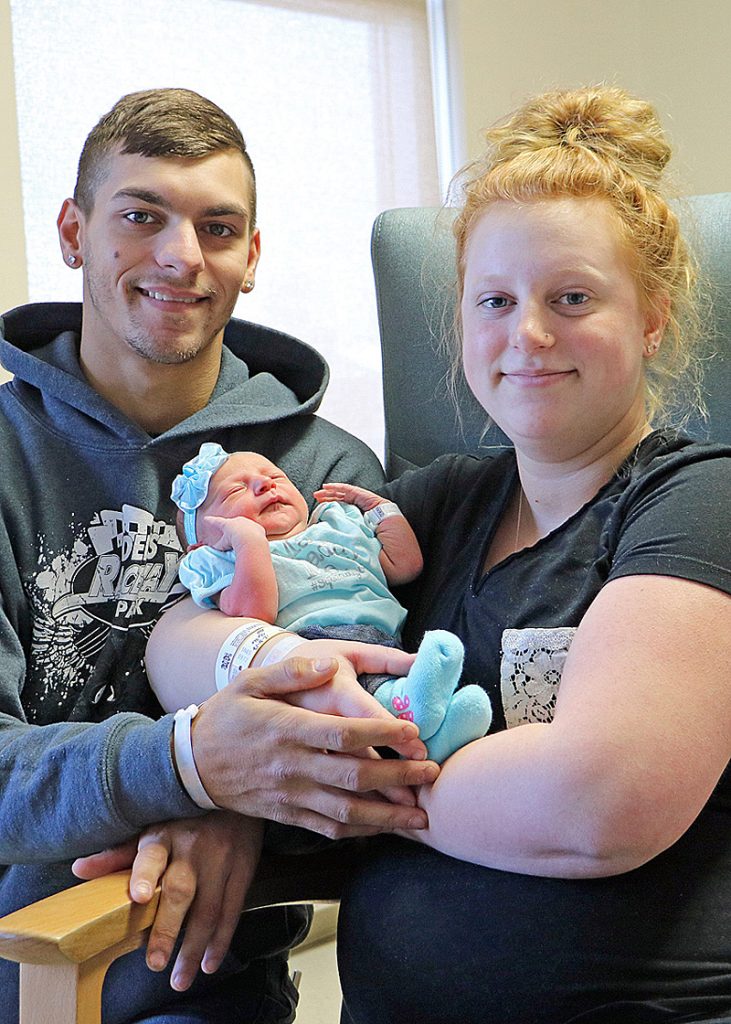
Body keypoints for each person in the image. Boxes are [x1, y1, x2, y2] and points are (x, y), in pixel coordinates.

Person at [0, 87, 442, 1024]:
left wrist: (239, 804)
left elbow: (395, 739)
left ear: (251, 256)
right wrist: (194, 767)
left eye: (218, 225)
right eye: (140, 216)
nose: (181, 255)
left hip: (208, 987)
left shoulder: (324, 479)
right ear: (74, 232)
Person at [331, 86, 731, 1023]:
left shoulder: (698, 498)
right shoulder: (440, 500)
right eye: (496, 300)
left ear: (651, 319)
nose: (529, 334)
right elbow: (189, 627)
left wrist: (345, 779)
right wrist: (249, 669)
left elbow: (596, 805)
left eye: (573, 298)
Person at [159, 442, 492, 763]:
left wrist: (378, 509)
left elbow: (405, 565)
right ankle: (406, 709)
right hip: (312, 651)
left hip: (385, 641)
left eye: (275, 477)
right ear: (203, 541)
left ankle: (435, 732)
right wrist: (249, 543)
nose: (264, 485)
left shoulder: (337, 526)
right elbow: (254, 614)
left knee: (386, 686)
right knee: (358, 694)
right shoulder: (225, 559)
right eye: (235, 491)